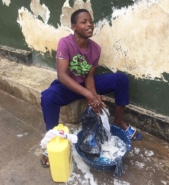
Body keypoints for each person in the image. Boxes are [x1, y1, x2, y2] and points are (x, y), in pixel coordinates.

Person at [40, 8, 142, 168]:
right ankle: (52, 140)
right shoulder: (65, 43)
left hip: (84, 84)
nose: (89, 25)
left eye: (91, 21)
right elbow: (62, 75)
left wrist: (93, 95)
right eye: (84, 22)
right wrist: (88, 94)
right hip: (68, 85)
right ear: (74, 26)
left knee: (120, 79)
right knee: (47, 97)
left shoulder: (95, 49)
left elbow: (89, 76)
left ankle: (120, 121)